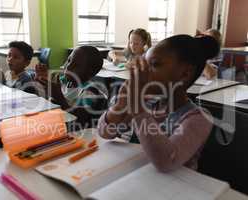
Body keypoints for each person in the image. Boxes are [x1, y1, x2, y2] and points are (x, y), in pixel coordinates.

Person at [98, 35, 220, 172]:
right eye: (144, 64)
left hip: (176, 188)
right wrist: (120, 105)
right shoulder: (147, 102)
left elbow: (166, 162)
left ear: (185, 74)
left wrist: (138, 110)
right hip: (138, 177)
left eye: (155, 65)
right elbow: (105, 133)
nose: (143, 72)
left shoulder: (198, 118)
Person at [35, 45, 108, 127]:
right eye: (69, 60)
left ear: (90, 73)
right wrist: (42, 80)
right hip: (59, 124)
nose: (68, 66)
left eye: (76, 65)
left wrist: (59, 98)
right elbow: (48, 102)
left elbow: (78, 121)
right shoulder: (62, 81)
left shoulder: (90, 92)